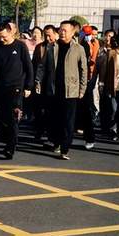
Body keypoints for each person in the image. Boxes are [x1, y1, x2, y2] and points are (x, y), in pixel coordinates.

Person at [0, 22, 34, 159]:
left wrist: (29, 86)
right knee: (3, 117)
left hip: (16, 87)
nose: (2, 39)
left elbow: (28, 67)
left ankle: (10, 147)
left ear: (11, 32)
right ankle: (7, 139)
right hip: (0, 87)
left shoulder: (20, 46)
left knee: (13, 117)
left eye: (4, 36)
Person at [51, 20, 87, 160]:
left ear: (73, 33)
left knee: (68, 121)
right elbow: (43, 66)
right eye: (60, 30)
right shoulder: (52, 46)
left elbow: (84, 70)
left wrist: (82, 89)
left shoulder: (78, 49)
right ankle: (57, 142)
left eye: (65, 30)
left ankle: (65, 148)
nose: (62, 32)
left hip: (71, 90)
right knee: (56, 119)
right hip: (54, 89)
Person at [33, 25, 58, 143]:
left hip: (55, 83)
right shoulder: (40, 47)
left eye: (49, 35)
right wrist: (36, 81)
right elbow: (36, 65)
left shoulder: (59, 47)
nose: (48, 38)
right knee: (39, 109)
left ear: (55, 34)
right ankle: (39, 130)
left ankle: (51, 134)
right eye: (45, 35)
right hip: (42, 83)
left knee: (51, 111)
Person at [96, 29, 118, 140]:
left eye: (111, 36)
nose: (109, 38)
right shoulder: (101, 50)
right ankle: (104, 128)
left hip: (113, 83)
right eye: (107, 36)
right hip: (102, 81)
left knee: (113, 106)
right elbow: (98, 66)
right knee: (103, 105)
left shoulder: (116, 51)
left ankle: (113, 128)